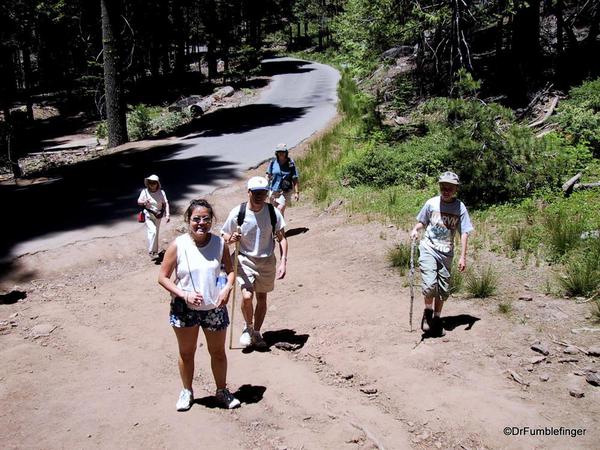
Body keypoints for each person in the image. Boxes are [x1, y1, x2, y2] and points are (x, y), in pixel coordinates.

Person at [158, 199, 241, 411]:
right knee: (186, 352)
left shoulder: (220, 244)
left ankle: (222, 390)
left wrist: (227, 289)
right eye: (196, 219)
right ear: (188, 220)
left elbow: (230, 270)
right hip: (185, 309)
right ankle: (187, 391)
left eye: (205, 219)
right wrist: (183, 294)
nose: (201, 223)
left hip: (214, 307)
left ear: (211, 220)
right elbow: (163, 277)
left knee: (218, 352)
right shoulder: (178, 245)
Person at [221, 176, 288, 349]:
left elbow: (282, 238)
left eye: (263, 193)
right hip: (244, 259)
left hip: (266, 261)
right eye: (256, 193)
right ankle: (248, 327)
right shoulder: (238, 212)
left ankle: (257, 332)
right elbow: (224, 235)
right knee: (247, 295)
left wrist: (283, 262)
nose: (260, 196)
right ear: (249, 192)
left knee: (262, 298)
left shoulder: (273, 212)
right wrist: (231, 238)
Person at [410, 171, 474, 337]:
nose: (446, 190)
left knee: (443, 290)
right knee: (430, 285)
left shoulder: (460, 208)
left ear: (455, 189)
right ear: (439, 187)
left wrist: (462, 256)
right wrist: (416, 230)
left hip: (446, 253)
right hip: (428, 248)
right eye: (443, 187)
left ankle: (437, 320)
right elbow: (421, 222)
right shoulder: (431, 203)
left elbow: (465, 232)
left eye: (450, 188)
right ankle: (427, 312)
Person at [138, 174, 170, 260]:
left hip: (158, 216)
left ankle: (155, 252)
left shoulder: (161, 193)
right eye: (150, 182)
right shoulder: (144, 192)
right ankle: (151, 251)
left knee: (156, 233)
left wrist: (167, 215)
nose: (151, 184)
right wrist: (144, 202)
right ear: (148, 183)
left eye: (153, 183)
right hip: (148, 215)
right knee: (153, 231)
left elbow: (165, 203)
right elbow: (139, 202)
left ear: (157, 183)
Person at [266, 143, 300, 216]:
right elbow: (268, 175)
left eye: (283, 152)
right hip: (273, 189)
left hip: (285, 190)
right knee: (274, 211)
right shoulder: (273, 162)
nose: (281, 153)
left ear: (286, 152)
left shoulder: (290, 163)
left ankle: (280, 227)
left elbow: (295, 178)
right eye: (279, 152)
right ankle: (276, 226)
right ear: (276, 153)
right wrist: (265, 188)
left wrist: (296, 192)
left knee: (280, 209)